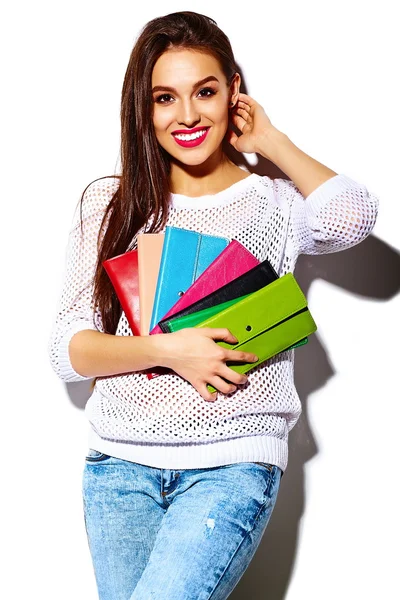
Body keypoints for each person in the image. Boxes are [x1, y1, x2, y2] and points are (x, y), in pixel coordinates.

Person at [48, 10, 379, 600]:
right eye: (164, 98)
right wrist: (168, 350)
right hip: (117, 471)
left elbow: (353, 214)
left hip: (231, 469)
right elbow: (67, 350)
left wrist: (270, 141)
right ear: (143, 111)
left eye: (205, 91)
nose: (188, 115)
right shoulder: (111, 205)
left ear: (234, 92)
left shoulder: (272, 204)